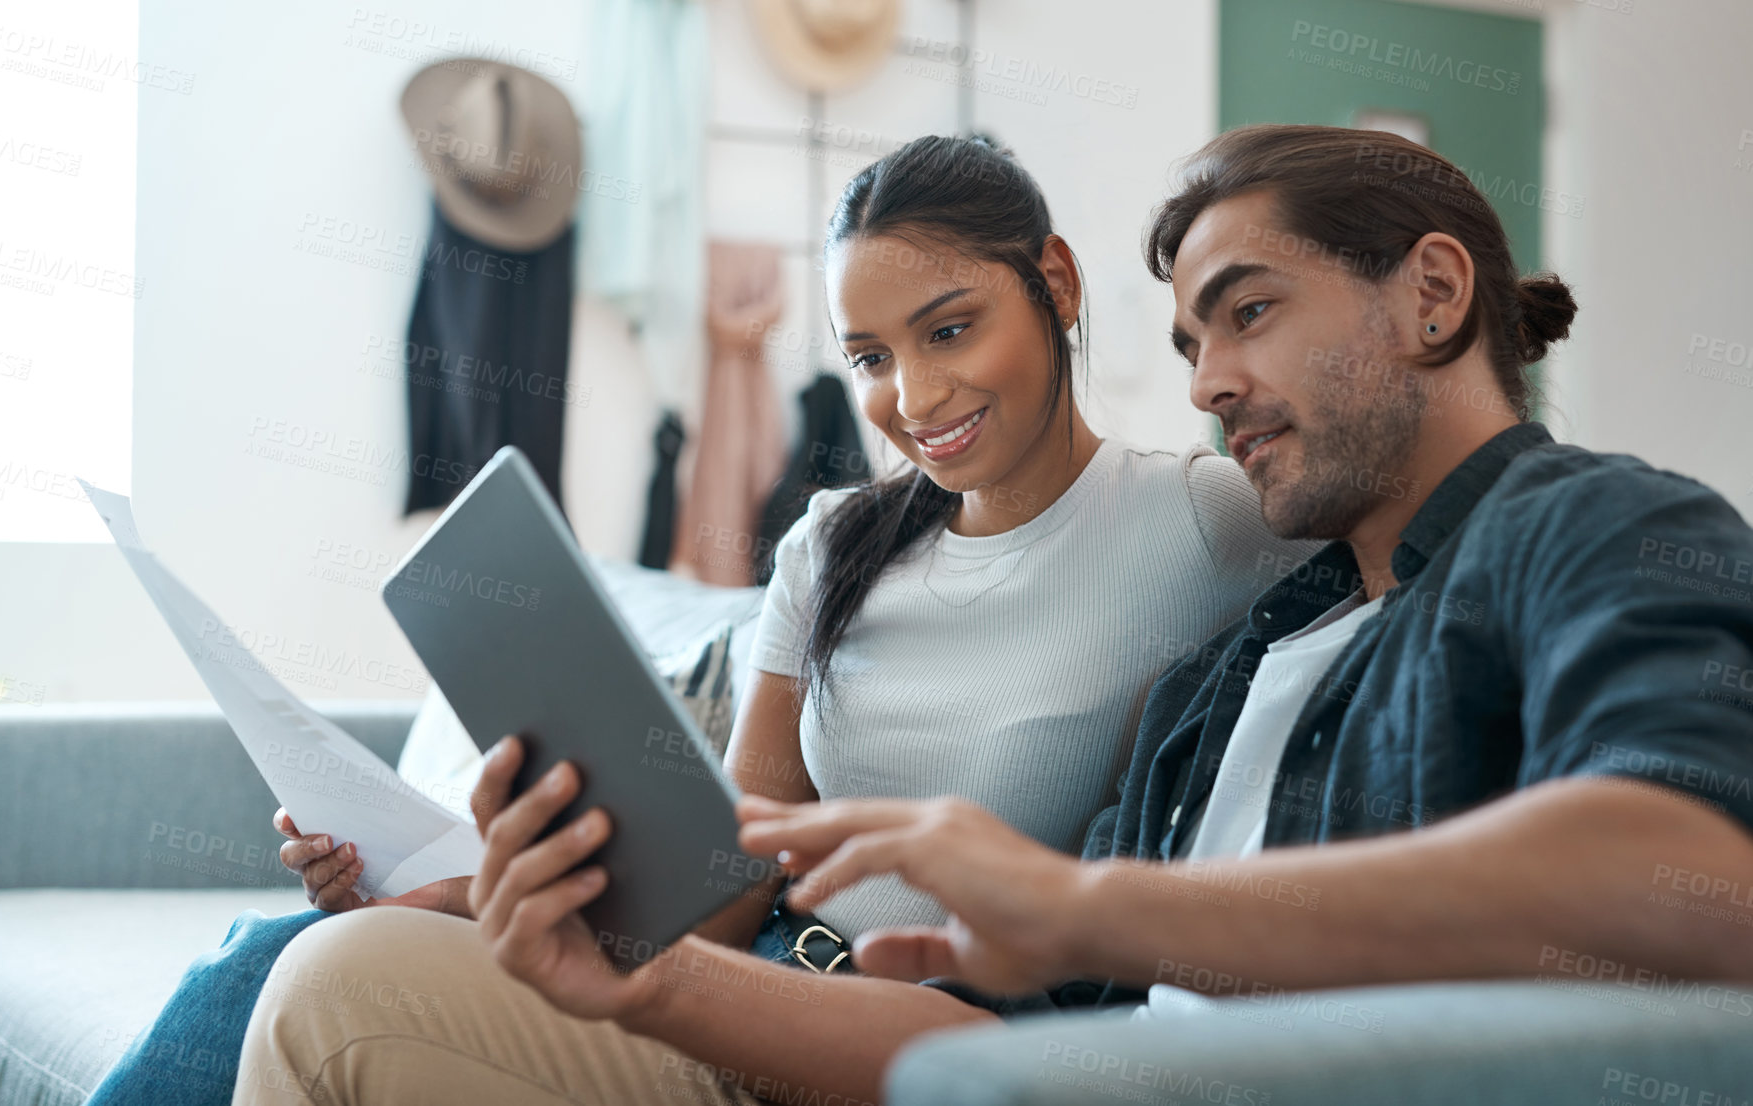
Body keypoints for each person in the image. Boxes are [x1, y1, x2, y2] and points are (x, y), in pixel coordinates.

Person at [234, 122, 1753, 1105]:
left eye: (1247, 310)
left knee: (316, 993)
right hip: (940, 1044)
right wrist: (634, 965)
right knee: (311, 975)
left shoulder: (1589, 531)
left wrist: (1082, 906)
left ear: (1431, 296)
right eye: (1190, 335)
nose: (1209, 380)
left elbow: (1697, 873)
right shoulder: (1235, 668)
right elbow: (1006, 1056)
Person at [87, 135, 1300, 1106]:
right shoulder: (833, 541)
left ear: (1059, 280)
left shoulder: (1200, 520)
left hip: (911, 1041)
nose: (914, 397)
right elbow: (723, 881)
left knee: (327, 985)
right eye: (870, 355)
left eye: (949, 328)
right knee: (283, 950)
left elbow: (1416, 528)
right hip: (741, 983)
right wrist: (439, 883)